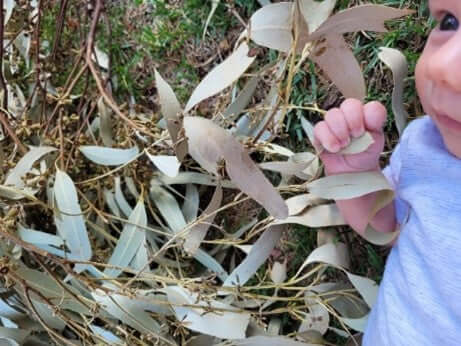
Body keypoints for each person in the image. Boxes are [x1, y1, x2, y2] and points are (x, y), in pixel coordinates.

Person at [313, 0, 461, 344]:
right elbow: (387, 227)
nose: (445, 68)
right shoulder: (424, 147)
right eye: (450, 22)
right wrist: (355, 175)